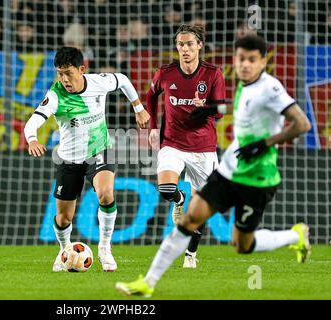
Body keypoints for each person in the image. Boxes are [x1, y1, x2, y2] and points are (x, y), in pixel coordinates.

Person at [116, 34, 312, 297]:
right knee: (189, 219)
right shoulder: (243, 85)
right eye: (241, 59)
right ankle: (147, 283)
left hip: (256, 177)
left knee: (242, 245)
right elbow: (225, 110)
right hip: (228, 169)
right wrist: (207, 110)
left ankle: (295, 235)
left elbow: (302, 124)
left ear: (263, 62)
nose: (244, 65)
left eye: (251, 60)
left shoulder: (271, 88)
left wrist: (266, 143)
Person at [24, 46, 150, 272]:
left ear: (82, 69)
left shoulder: (99, 82)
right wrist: (32, 139)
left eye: (68, 73)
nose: (64, 79)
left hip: (98, 150)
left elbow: (122, 80)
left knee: (105, 193)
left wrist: (138, 107)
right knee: (63, 218)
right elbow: (32, 122)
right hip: (69, 160)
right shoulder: (55, 95)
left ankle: (104, 247)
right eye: (59, 74)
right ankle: (65, 250)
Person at [146, 24, 226, 268]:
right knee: (166, 189)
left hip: (203, 147)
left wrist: (205, 109)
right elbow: (150, 96)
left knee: (202, 207)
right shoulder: (165, 73)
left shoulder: (213, 73)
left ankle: (191, 255)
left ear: (200, 45)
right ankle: (179, 200)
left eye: (190, 44)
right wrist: (152, 127)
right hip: (172, 142)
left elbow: (221, 110)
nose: (185, 49)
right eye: (181, 44)